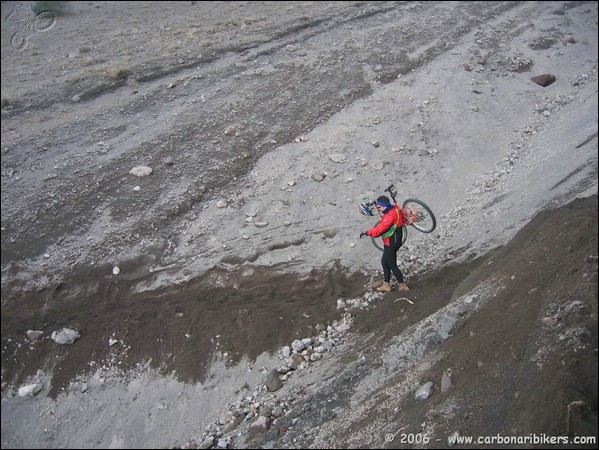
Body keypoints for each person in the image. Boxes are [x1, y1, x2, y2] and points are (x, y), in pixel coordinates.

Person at [359, 195, 410, 293]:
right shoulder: (394, 209)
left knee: (391, 264)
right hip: (395, 239)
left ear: (385, 206)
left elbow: (379, 230)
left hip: (391, 243)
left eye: (380, 207)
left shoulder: (389, 217)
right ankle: (386, 284)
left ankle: (402, 284)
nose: (379, 209)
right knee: (384, 262)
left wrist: (367, 232)